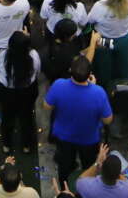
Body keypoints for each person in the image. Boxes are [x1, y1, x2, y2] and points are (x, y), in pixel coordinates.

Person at [45, 54, 115, 185]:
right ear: (90, 75)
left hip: (64, 137)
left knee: (64, 166)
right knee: (88, 167)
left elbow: (47, 105)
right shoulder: (98, 92)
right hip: (89, 139)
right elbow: (108, 120)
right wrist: (93, 87)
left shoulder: (58, 85)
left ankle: (65, 189)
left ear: (71, 71)